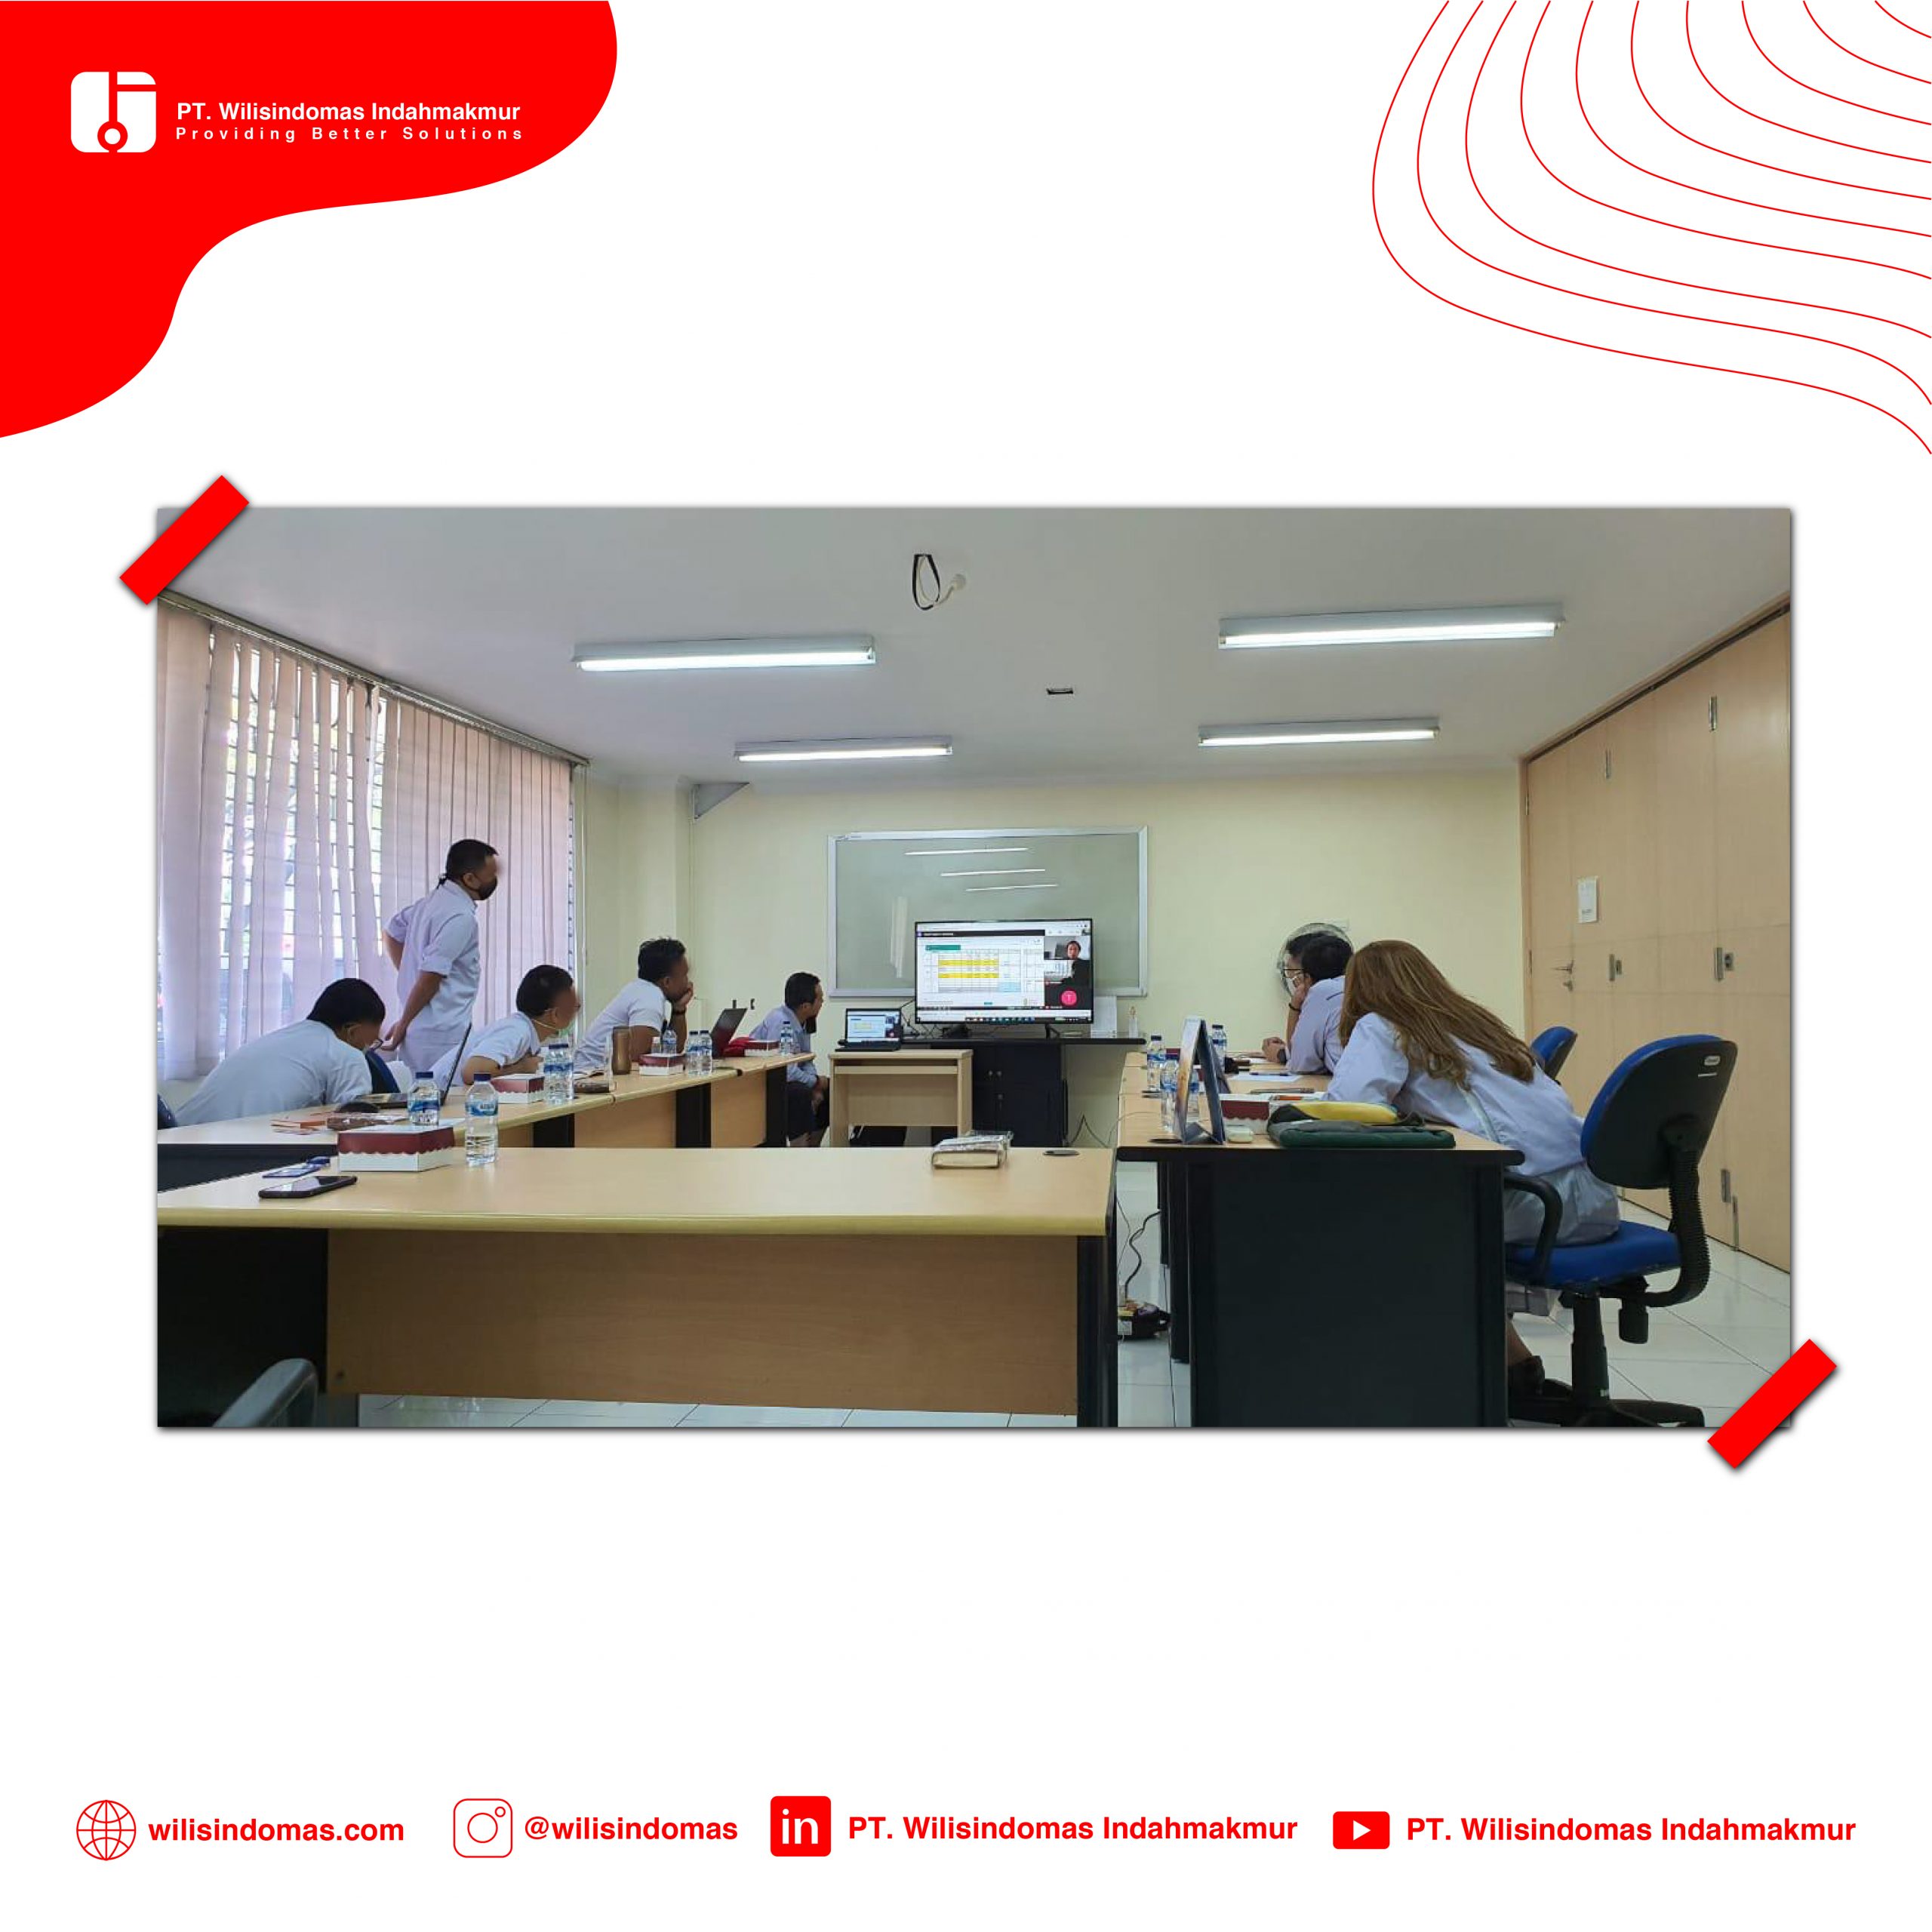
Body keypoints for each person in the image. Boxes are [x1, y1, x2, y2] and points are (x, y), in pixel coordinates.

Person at [1324, 939, 1620, 1417]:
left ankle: (1407, 1376)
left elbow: (1350, 1108)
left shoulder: (1383, 1025)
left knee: (1382, 1231)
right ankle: (1513, 1366)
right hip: (1592, 1194)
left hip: (1530, 1201)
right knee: (1435, 1219)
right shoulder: (1479, 1026)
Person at [174, 979, 387, 1125]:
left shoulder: (280, 1039)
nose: (369, 1049)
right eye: (372, 1042)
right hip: (244, 1153)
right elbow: (357, 1125)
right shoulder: (346, 1054)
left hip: (176, 1146)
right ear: (352, 1031)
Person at [381, 838, 499, 1075]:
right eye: (491, 875)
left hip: (420, 1027)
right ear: (469, 879)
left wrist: (411, 982)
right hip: (442, 1034)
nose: (495, 880)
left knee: (418, 1092)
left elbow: (392, 933)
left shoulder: (428, 904)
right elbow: (430, 978)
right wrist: (403, 1022)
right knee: (442, 1095)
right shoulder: (460, 917)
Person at [432, 964, 580, 1089]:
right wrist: (522, 1068)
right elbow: (472, 1073)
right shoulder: (517, 1031)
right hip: (438, 1102)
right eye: (575, 1008)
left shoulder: (529, 1031)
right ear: (556, 1014)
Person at [576, 937, 696, 1072]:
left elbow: (672, 1049)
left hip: (604, 1073)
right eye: (685, 976)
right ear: (667, 982)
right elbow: (636, 1057)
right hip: (590, 1075)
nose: (688, 982)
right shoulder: (649, 996)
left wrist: (679, 1008)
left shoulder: (644, 991)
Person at [749, 972, 831, 1146]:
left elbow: (807, 1058)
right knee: (800, 1094)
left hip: (787, 1077)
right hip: (765, 1082)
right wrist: (815, 1082)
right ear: (806, 1006)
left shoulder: (805, 1020)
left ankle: (812, 1146)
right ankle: (798, 1150)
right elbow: (785, 1071)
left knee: (831, 1090)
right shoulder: (781, 1022)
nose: (823, 1002)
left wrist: (815, 1083)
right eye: (820, 999)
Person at [1260, 928, 1353, 1073]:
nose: (1294, 981)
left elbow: (1302, 1064)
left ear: (1306, 974)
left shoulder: (1323, 991)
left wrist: (1281, 1054)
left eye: (1293, 973)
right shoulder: (1353, 985)